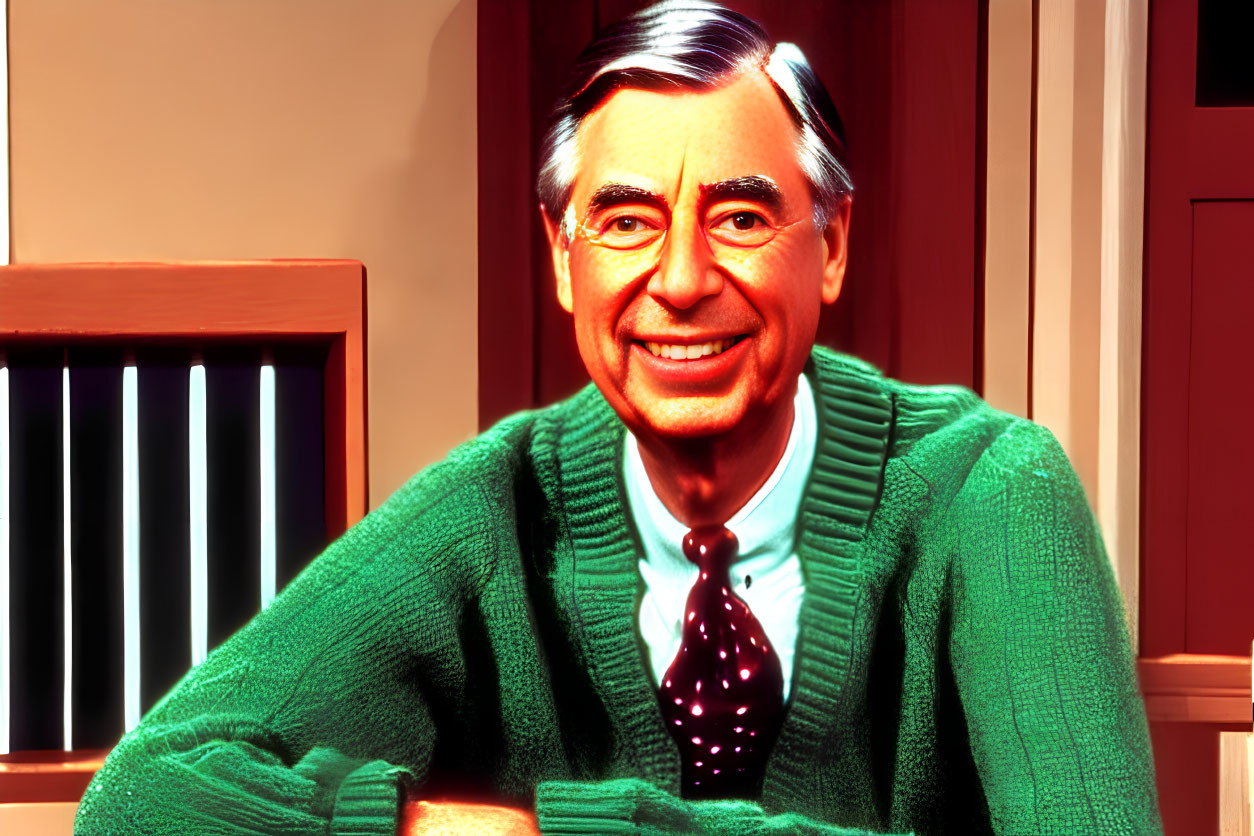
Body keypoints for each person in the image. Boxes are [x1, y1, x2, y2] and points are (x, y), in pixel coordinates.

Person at [75, 2, 1162, 834]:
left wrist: (569, 827)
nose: (681, 278)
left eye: (741, 215)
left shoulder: (993, 492)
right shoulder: (492, 506)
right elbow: (142, 796)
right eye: (627, 219)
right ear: (562, 257)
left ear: (830, 246)